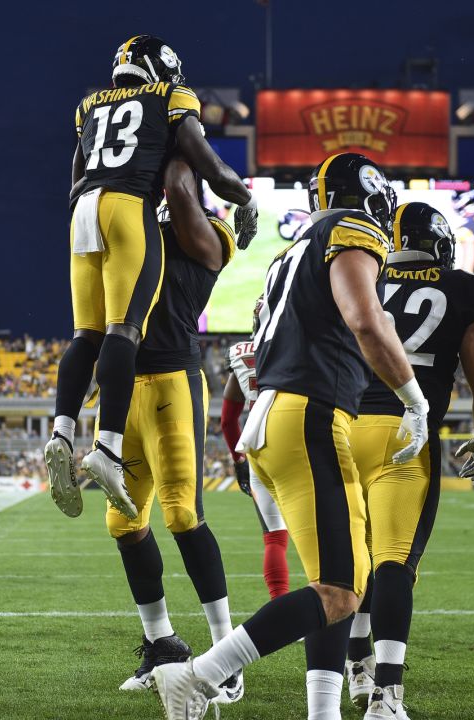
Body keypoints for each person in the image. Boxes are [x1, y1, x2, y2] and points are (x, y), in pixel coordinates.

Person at [152, 153, 427, 720]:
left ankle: (321, 711)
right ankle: (198, 675)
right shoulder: (351, 229)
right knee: (344, 592)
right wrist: (414, 399)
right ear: (373, 194)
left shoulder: (289, 253)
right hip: (309, 414)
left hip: (277, 416)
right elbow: (364, 318)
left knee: (333, 586)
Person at [46, 35, 257, 522]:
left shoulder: (89, 105)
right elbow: (207, 167)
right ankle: (107, 449)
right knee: (124, 327)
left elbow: (77, 182)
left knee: (87, 333)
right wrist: (244, 199)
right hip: (126, 206)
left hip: (83, 211)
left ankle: (60, 431)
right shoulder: (170, 97)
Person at [342, 201, 474, 719]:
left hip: (343, 427)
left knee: (349, 559)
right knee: (393, 563)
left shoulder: (357, 272)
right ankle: (387, 696)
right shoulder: (462, 288)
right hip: (406, 434)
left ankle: (356, 663)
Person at [108, 156, 246, 703]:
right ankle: (161, 642)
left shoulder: (207, 233)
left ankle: (225, 655)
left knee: (184, 515)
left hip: (173, 381)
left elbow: (184, 196)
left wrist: (173, 143)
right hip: (129, 387)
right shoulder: (135, 229)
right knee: (123, 524)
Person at [221, 296, 291, 600]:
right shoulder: (299, 342)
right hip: (300, 438)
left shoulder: (241, 352)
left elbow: (227, 420)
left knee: (275, 537)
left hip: (259, 443)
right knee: (325, 532)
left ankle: (280, 607)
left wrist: (239, 462)